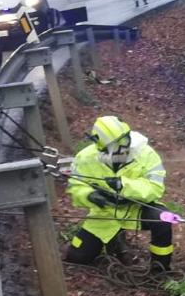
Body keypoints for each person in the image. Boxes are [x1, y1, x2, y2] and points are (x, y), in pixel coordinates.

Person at [64, 115, 173, 270]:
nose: (124, 148)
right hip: (104, 214)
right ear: (102, 146)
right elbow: (76, 186)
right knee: (77, 258)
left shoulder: (146, 154)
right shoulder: (85, 158)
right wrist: (90, 196)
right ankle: (117, 243)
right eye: (117, 145)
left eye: (124, 141)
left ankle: (160, 269)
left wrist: (124, 185)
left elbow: (155, 188)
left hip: (134, 209)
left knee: (163, 219)